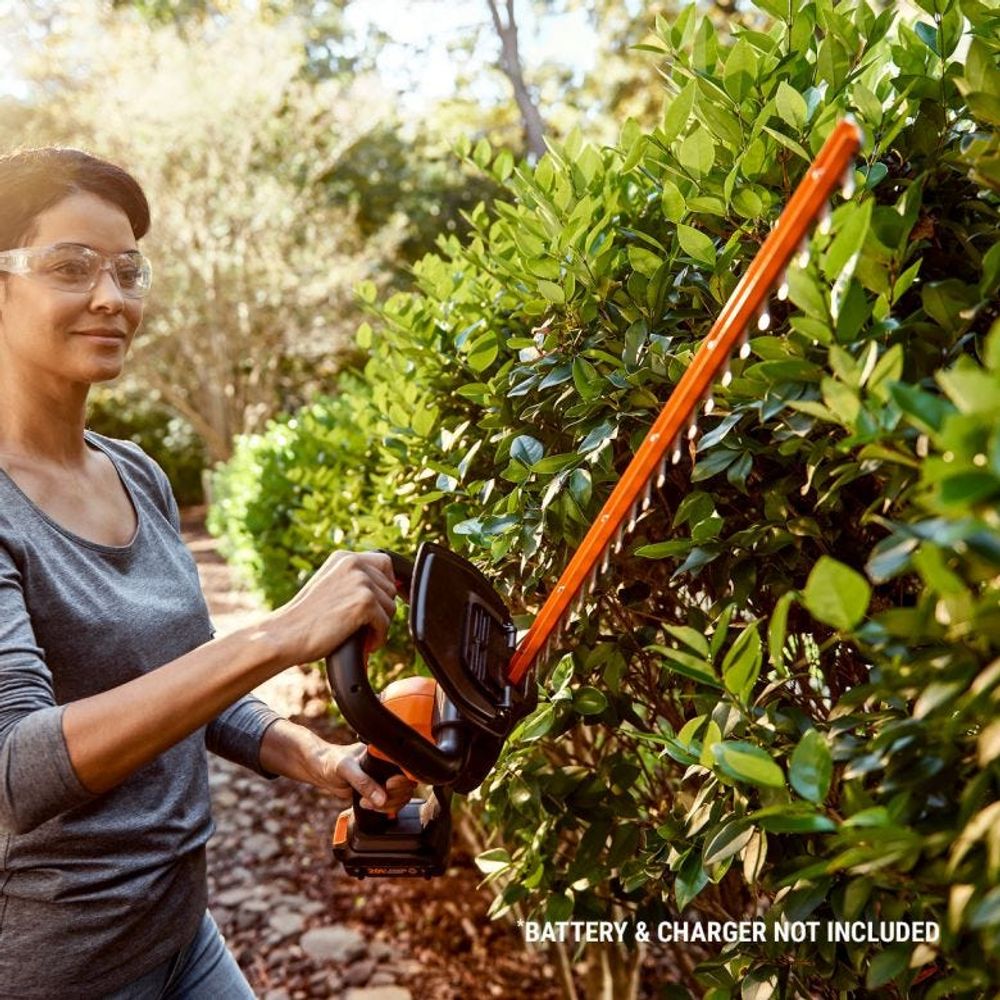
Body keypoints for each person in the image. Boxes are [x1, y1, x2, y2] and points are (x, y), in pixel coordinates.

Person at [0, 146, 413, 999]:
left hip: (184, 934)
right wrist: (278, 636)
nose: (111, 296)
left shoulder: (137, 474)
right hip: (58, 971)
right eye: (70, 266)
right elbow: (17, 770)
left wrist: (317, 758)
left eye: (127, 269)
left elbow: (189, 680)